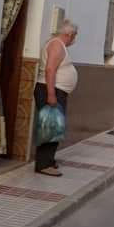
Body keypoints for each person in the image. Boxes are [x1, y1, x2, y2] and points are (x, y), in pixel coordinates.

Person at [34, 20, 78, 176]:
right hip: (51, 90)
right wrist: (51, 94)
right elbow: (50, 69)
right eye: (74, 36)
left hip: (56, 90)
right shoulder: (57, 45)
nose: (74, 40)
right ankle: (43, 164)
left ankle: (49, 160)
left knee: (54, 127)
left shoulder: (59, 45)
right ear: (70, 34)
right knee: (50, 128)